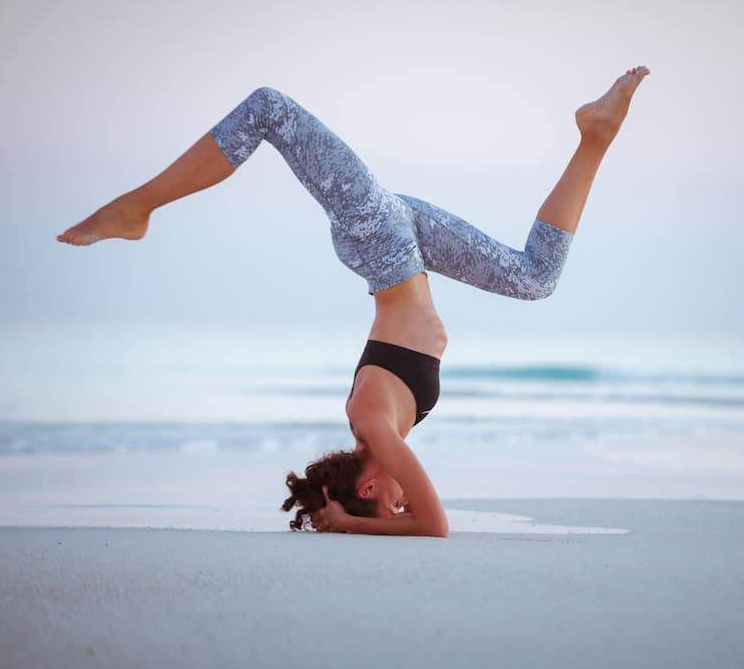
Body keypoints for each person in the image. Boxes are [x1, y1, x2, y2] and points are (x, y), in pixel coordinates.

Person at [58, 66, 650, 537]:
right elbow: (418, 517)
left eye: (389, 506)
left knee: (269, 108)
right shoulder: (377, 430)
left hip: (380, 236)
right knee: (535, 277)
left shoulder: (373, 426)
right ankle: (595, 134)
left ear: (369, 489)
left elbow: (434, 525)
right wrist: (338, 513)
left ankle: (137, 207)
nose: (402, 504)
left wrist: (346, 523)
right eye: (398, 509)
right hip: (400, 239)